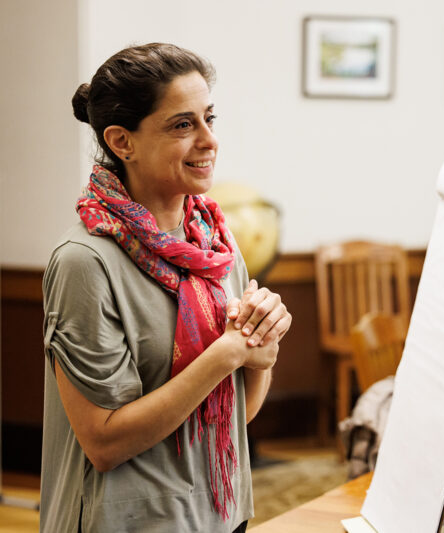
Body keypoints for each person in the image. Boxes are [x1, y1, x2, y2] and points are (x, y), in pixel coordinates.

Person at [40, 43, 292, 532]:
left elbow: (234, 418)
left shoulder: (217, 244)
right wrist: (228, 353)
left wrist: (264, 354)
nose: (209, 140)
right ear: (121, 141)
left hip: (221, 514)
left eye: (209, 119)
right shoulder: (84, 262)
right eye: (182, 124)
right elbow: (105, 443)